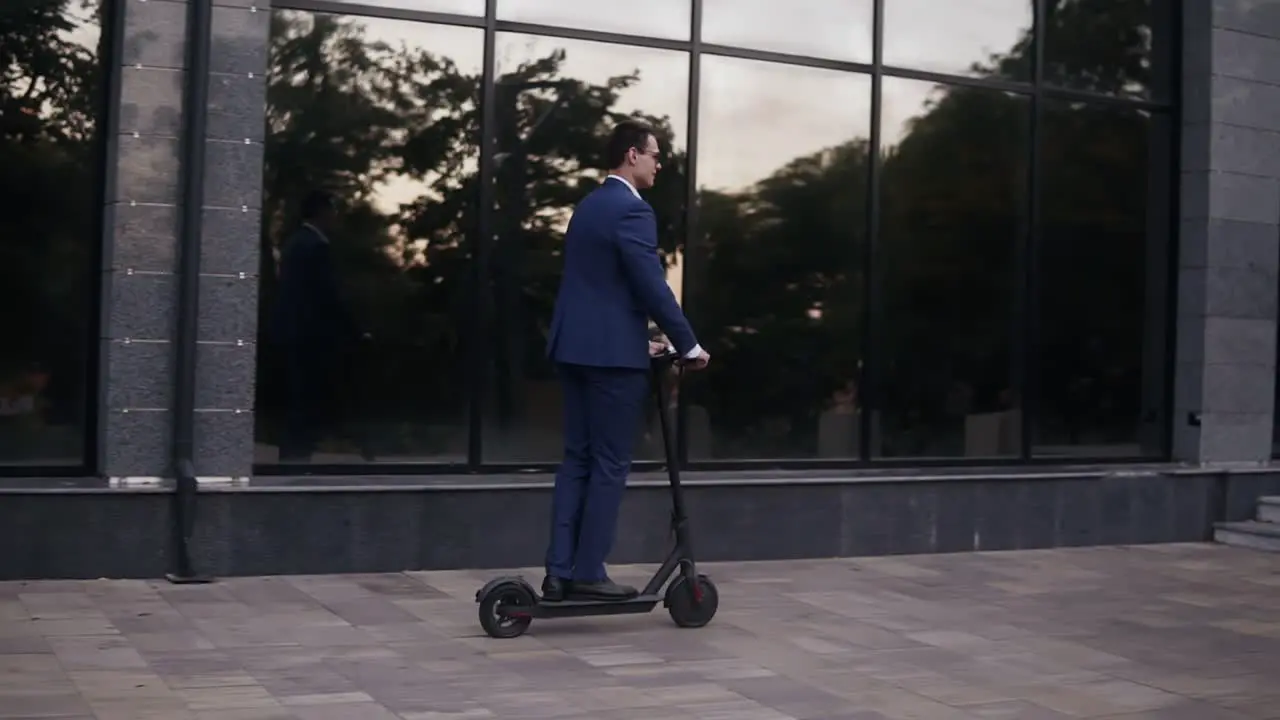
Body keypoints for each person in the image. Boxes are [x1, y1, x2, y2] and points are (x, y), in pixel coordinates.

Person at [542, 120, 711, 602]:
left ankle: (557, 572)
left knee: (576, 460)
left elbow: (601, 290)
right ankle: (588, 571)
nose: (659, 163)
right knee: (611, 463)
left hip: (573, 349)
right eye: (655, 155)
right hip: (611, 362)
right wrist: (689, 344)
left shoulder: (588, 208)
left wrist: (645, 341)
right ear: (632, 155)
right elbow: (649, 284)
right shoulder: (632, 211)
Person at [269, 190, 362, 462]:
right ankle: (298, 457)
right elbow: (328, 295)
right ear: (321, 212)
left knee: (299, 397)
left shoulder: (295, 244)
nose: (335, 217)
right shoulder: (315, 247)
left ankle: (292, 455)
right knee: (307, 398)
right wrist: (354, 329)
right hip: (310, 336)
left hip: (294, 332)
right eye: (332, 210)